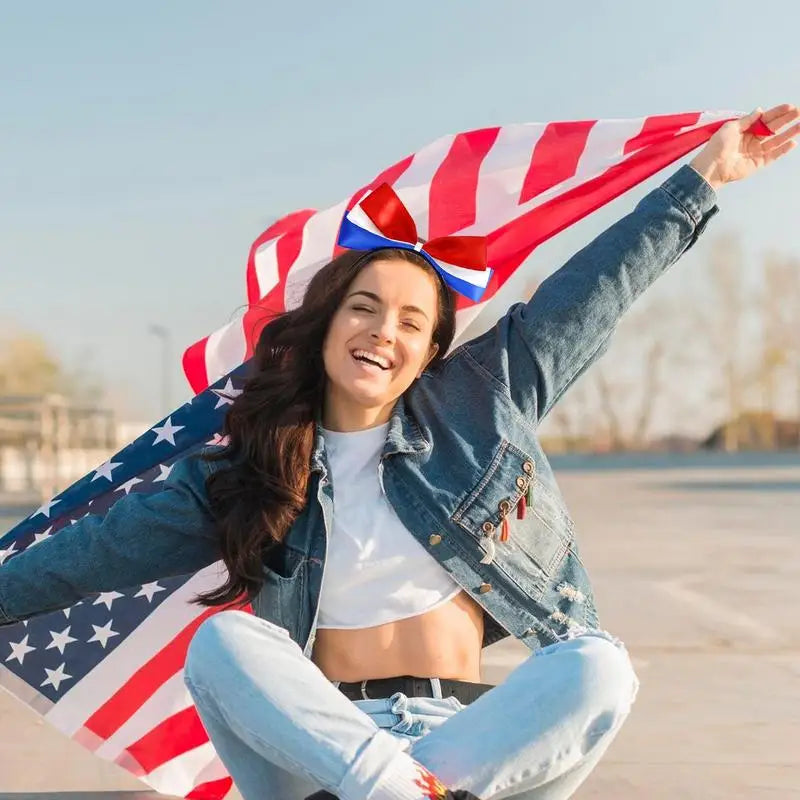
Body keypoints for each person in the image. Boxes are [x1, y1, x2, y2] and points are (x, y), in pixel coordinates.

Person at [1, 105, 798, 800]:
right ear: (326, 326)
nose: (385, 329)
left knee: (599, 666)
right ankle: (394, 790)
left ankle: (404, 790)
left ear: (429, 353)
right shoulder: (247, 468)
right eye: (365, 307)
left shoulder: (480, 408)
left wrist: (702, 180)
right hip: (320, 749)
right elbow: (83, 556)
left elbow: (593, 292)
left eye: (412, 322)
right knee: (223, 642)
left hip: (478, 741)